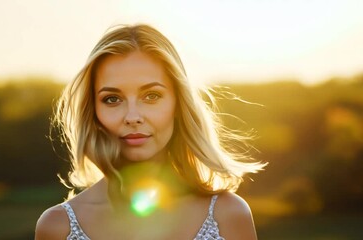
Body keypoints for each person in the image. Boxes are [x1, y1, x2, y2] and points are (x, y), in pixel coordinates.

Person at [35, 24, 266, 240]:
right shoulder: (57, 227)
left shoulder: (229, 215)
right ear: (93, 111)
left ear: (178, 103)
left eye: (151, 96)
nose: (133, 116)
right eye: (112, 99)